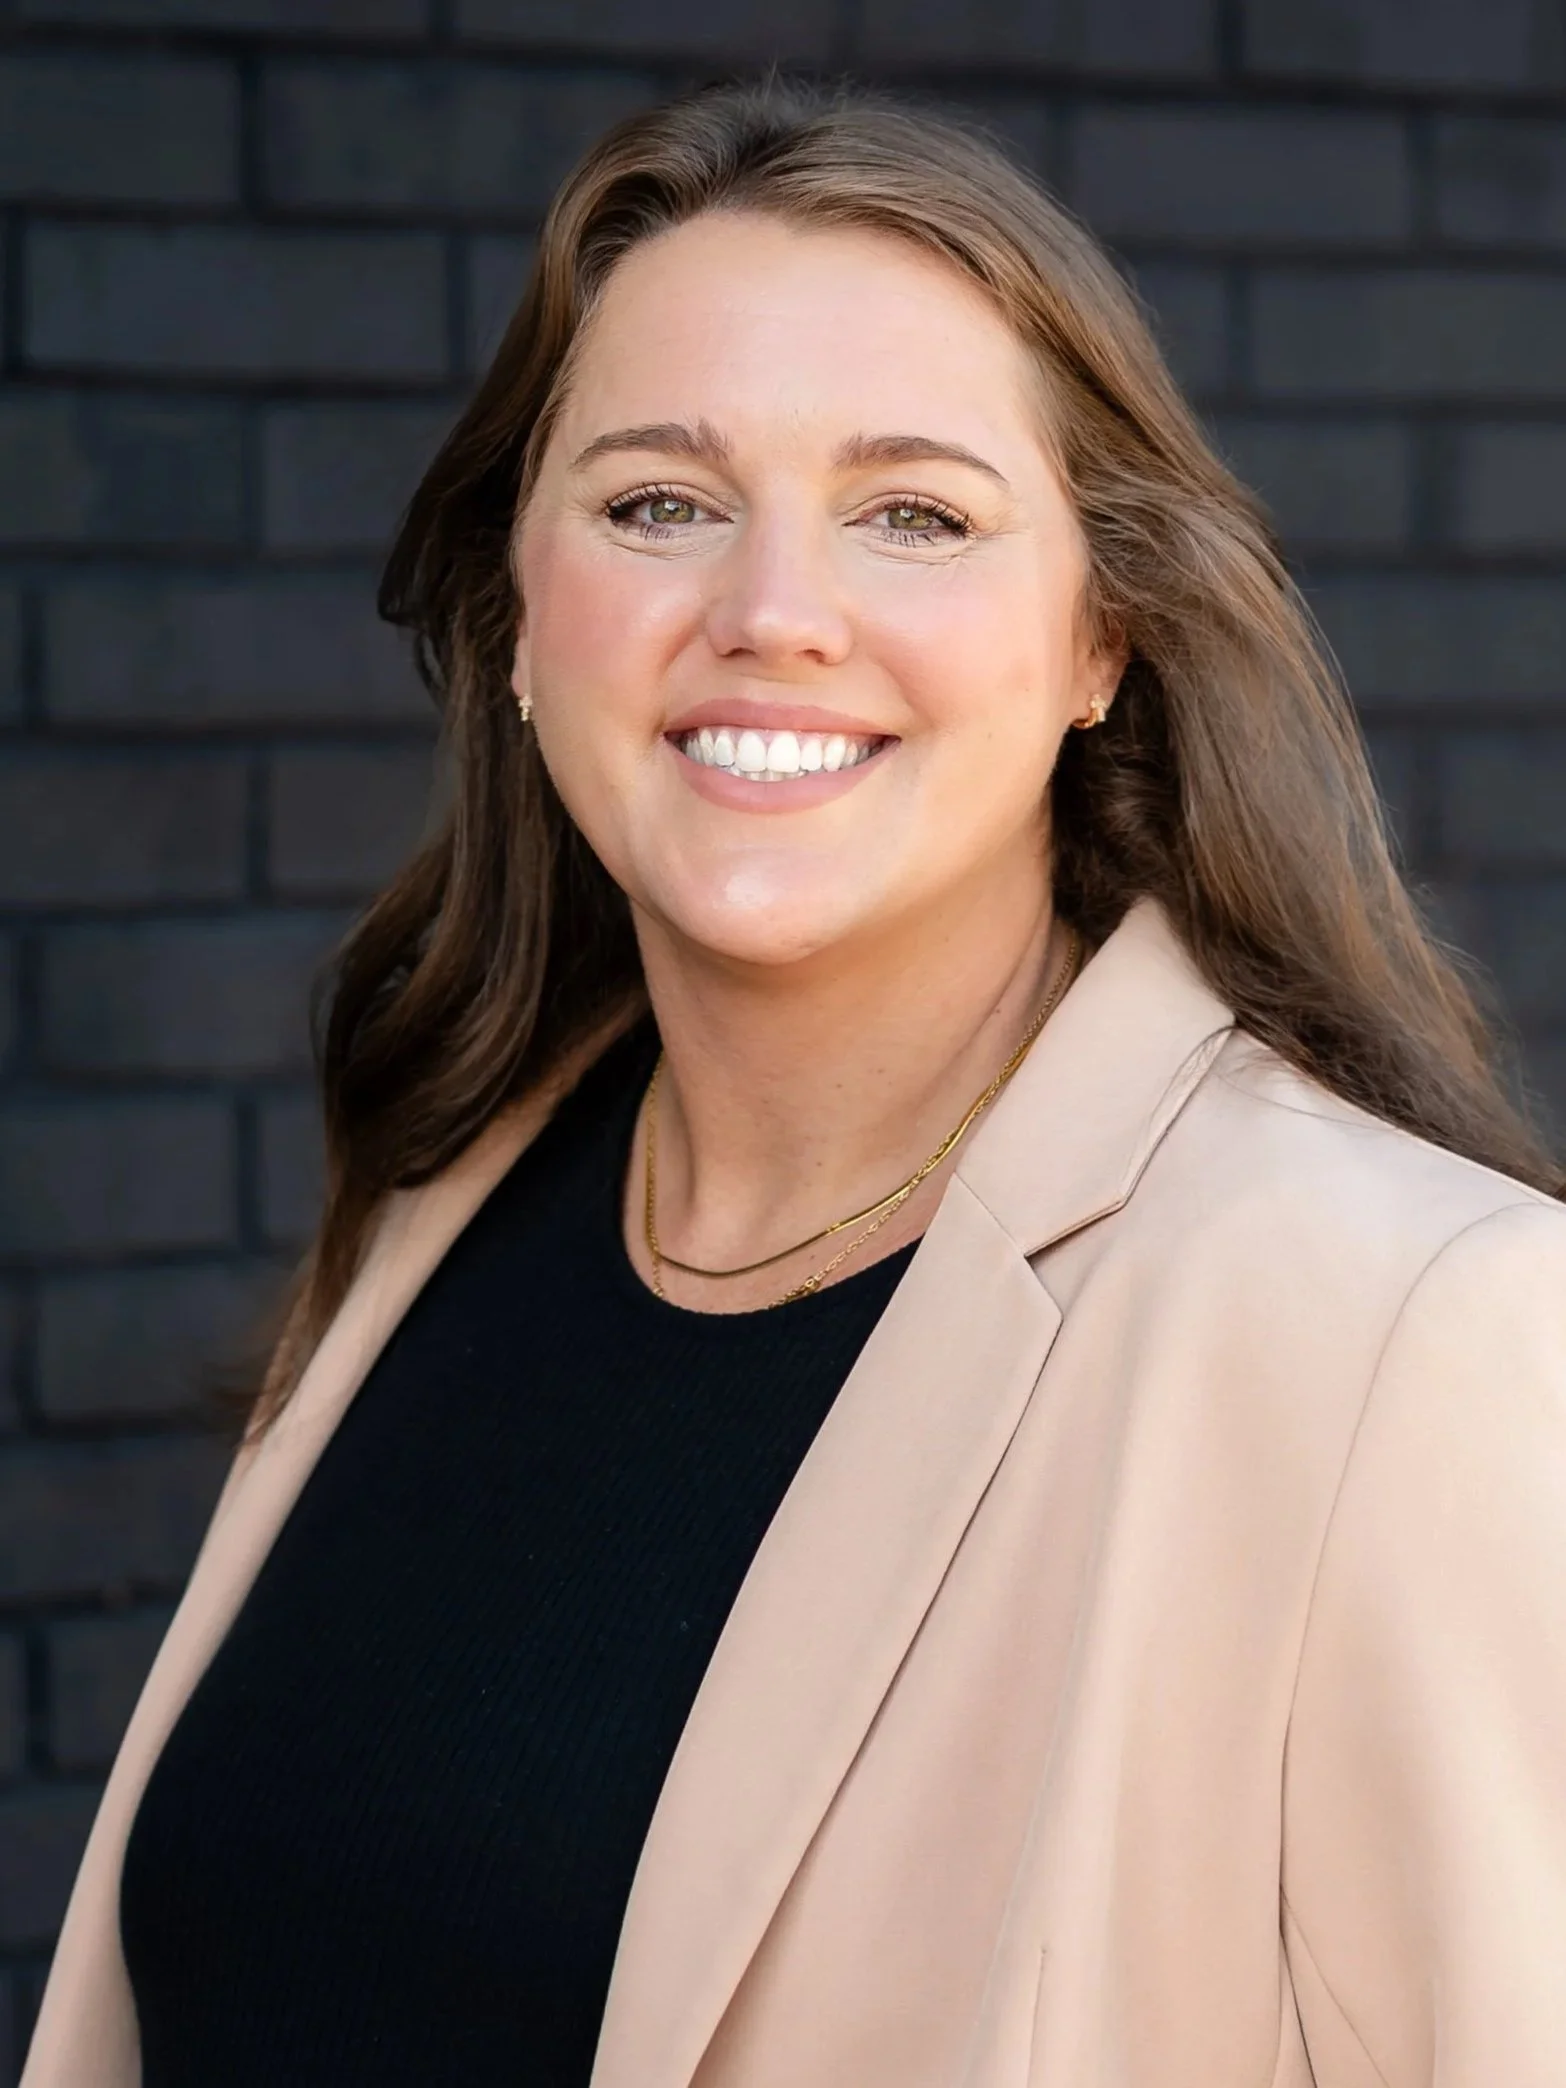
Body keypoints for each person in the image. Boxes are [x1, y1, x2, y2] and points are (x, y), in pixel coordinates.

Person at [22, 79, 1566, 2088]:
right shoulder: (445, 1192)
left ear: (1101, 634)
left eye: (912, 514)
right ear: (515, 618)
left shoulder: (1413, 1334)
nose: (769, 615)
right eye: (660, 501)